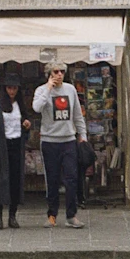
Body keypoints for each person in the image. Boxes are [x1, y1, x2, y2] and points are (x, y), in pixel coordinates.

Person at [32, 61, 87, 228]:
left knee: (71, 178)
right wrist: (49, 88)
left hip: (68, 140)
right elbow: (36, 108)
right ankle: (52, 214)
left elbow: (77, 114)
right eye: (56, 71)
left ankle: (72, 215)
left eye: (62, 71)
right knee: (52, 179)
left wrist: (82, 135)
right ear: (49, 73)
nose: (59, 74)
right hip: (49, 141)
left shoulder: (70, 90)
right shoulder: (41, 90)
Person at [0, 73, 31, 229]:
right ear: (5, 88)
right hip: (1, 147)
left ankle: (12, 215)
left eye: (15, 88)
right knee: (0, 180)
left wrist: (26, 125)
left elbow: (25, 120)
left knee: (15, 180)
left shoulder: (19, 104)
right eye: (9, 88)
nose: (12, 91)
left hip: (16, 144)